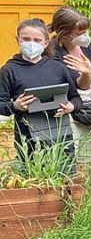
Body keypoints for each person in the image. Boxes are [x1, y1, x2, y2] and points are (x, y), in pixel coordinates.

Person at [0, 18, 79, 162]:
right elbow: (1, 104)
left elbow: (75, 98)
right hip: (27, 138)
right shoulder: (9, 70)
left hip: (61, 135)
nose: (31, 43)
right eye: (26, 39)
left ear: (45, 43)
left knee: (66, 179)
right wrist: (15, 106)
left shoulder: (58, 68)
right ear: (18, 40)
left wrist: (71, 106)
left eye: (37, 40)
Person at [49, 6, 91, 162]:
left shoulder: (87, 47)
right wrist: (86, 73)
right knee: (73, 161)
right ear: (64, 33)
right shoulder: (53, 53)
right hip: (69, 112)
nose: (85, 37)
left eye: (86, 31)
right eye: (80, 34)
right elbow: (80, 85)